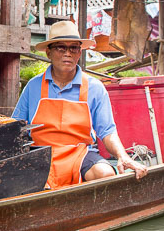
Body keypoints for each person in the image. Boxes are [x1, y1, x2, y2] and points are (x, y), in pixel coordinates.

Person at [12, 21, 148, 190]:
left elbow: (107, 131)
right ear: (49, 52)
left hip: (80, 154)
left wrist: (123, 156)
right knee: (26, 183)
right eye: (61, 48)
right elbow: (15, 128)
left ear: (79, 52)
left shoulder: (94, 87)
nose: (68, 53)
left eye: (74, 48)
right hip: (39, 154)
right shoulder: (33, 86)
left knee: (105, 174)